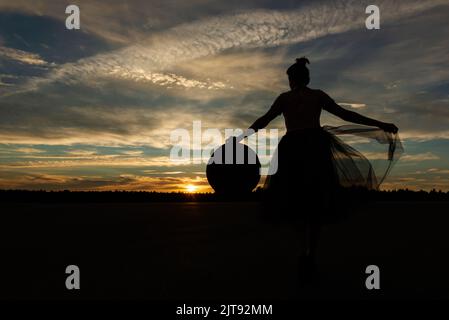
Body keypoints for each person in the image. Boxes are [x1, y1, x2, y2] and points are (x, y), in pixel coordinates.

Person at [232, 57, 401, 285]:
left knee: (302, 203)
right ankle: (309, 252)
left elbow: (264, 120)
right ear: (306, 78)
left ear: (293, 79)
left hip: (299, 149)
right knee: (313, 203)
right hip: (310, 147)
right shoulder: (312, 96)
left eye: (291, 78)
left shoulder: (289, 98)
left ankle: (306, 252)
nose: (291, 81)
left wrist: (242, 137)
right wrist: (380, 123)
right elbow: (346, 114)